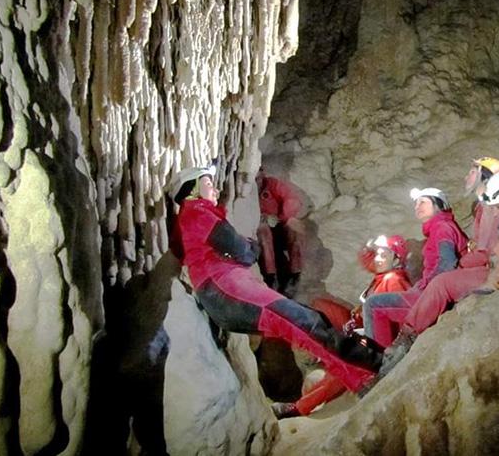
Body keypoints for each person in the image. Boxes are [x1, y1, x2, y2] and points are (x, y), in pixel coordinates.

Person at [167, 164, 381, 407]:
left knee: (308, 324)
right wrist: (250, 246)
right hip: (228, 289)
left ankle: (360, 379)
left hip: (224, 294)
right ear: (192, 191)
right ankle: (374, 364)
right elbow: (243, 252)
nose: (215, 189)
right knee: (307, 324)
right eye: (207, 184)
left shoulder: (190, 218)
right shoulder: (197, 213)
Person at [374, 167, 499, 379]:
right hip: (485, 265)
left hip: (493, 264)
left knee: (437, 285)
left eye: (498, 208)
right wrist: (491, 285)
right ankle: (400, 343)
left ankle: (402, 342)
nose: (496, 214)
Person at [272, 235, 412, 420]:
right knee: (321, 305)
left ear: (396, 260)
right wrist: (371, 248)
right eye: (377, 254)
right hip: (361, 325)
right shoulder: (383, 275)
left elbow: (396, 324)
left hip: (376, 345)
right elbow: (368, 261)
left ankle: (299, 408)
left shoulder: (394, 281)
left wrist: (365, 342)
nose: (378, 259)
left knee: (343, 368)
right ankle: (319, 346)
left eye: (383, 255)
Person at [362, 188, 469, 348]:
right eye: (416, 203)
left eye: (423, 202)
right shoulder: (438, 228)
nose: (417, 206)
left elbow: (448, 262)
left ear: (438, 205)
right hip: (432, 290)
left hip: (434, 294)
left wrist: (426, 287)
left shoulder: (442, 227)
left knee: (373, 305)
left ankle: (376, 357)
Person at [255, 167, 305, 296]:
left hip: (278, 226)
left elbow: (291, 199)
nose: (258, 181)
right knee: (263, 231)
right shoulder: (248, 192)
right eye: (255, 178)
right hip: (260, 235)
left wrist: (284, 217)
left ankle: (295, 275)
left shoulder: (273, 185)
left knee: (293, 231)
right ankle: (270, 277)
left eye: (260, 177)